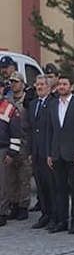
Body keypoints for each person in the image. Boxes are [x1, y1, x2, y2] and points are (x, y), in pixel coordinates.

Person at [47, 74, 74, 234]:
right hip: (57, 153)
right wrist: (49, 153)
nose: (62, 87)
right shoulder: (53, 105)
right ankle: (62, 221)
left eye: (65, 84)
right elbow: (50, 131)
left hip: (73, 154)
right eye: (59, 84)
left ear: (71, 87)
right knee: (60, 188)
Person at [29, 75, 57, 230]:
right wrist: (30, 151)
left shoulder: (53, 103)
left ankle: (54, 215)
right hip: (36, 152)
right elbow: (31, 130)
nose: (38, 87)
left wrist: (51, 152)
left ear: (48, 87)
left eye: (41, 84)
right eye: (37, 84)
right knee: (41, 186)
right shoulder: (33, 104)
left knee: (51, 185)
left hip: (48, 152)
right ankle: (45, 214)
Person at [5, 72, 33, 221]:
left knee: (24, 177)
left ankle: (23, 206)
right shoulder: (7, 101)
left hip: (25, 143)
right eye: (11, 82)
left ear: (22, 83)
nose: (13, 84)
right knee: (11, 177)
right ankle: (13, 203)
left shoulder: (28, 101)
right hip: (11, 144)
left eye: (16, 82)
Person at [0, 92, 23, 227]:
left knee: (3, 185)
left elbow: (16, 133)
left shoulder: (9, 108)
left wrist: (12, 152)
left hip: (3, 150)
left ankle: (2, 213)